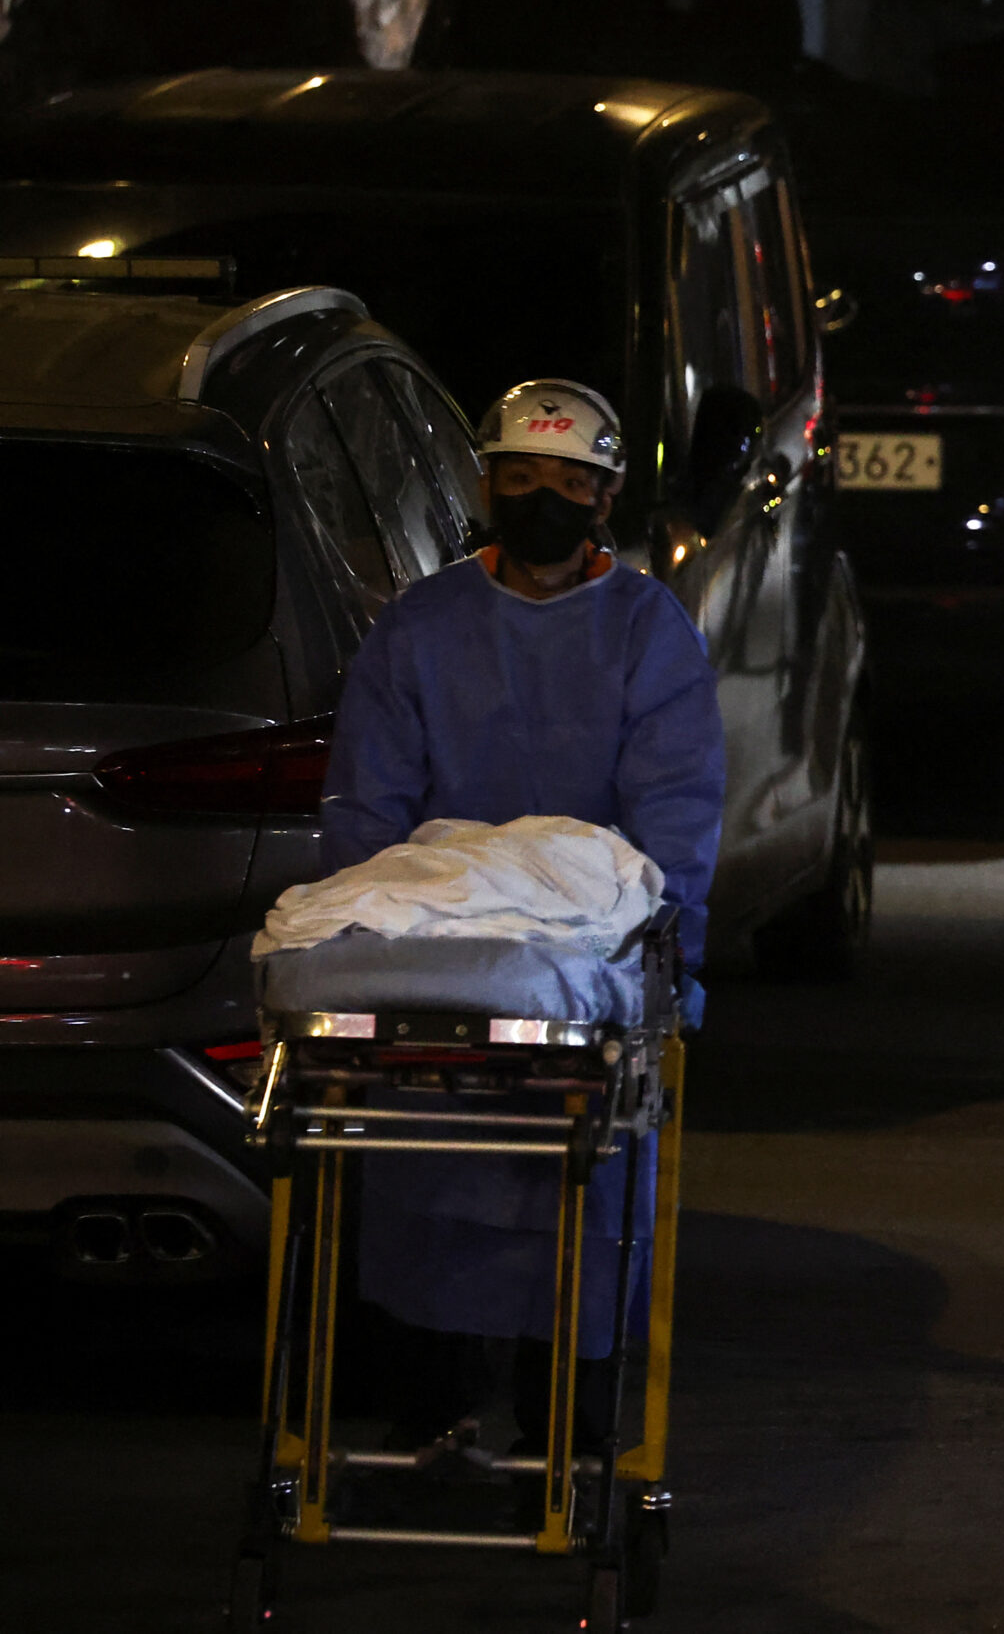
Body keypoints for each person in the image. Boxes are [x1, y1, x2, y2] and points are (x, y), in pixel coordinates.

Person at [322, 378, 725, 1452]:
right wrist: (385, 923)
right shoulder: (422, 628)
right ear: (486, 484)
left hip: (585, 963)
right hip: (440, 958)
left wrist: (659, 949)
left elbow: (673, 816)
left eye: (570, 481)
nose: (544, 497)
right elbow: (369, 806)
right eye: (521, 476)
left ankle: (568, 1425)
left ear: (605, 497)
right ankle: (431, 1408)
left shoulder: (646, 631)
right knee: (426, 1180)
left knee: (584, 1193)